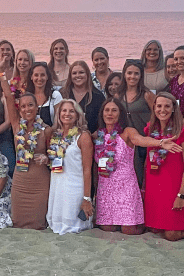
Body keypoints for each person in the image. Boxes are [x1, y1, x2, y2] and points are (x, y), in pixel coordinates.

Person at [0, 58, 52, 230]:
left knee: (38, 224)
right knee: (18, 223)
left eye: (31, 106)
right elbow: (7, 96)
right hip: (21, 181)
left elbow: (55, 157)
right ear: (19, 109)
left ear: (37, 108)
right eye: (23, 107)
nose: (27, 109)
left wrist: (46, 158)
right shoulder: (16, 126)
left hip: (40, 182)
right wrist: (1, 73)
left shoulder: (47, 130)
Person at [142, 92, 184, 241]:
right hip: (155, 185)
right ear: (154, 108)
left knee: (172, 235)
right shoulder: (150, 130)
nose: (162, 110)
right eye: (159, 106)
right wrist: (144, 186)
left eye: (167, 106)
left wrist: (181, 195)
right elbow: (147, 160)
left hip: (175, 187)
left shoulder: (183, 133)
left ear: (174, 108)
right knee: (154, 229)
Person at [92, 100, 145, 235]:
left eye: (114, 110)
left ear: (120, 113)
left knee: (129, 230)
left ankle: (148, 224)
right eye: (107, 110)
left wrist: (160, 143)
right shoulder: (98, 135)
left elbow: (141, 140)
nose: (110, 113)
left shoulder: (127, 132)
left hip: (126, 186)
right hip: (106, 187)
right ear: (102, 113)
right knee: (107, 229)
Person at [46, 99, 94, 234]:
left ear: (78, 115)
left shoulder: (83, 137)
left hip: (74, 189)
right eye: (64, 110)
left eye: (71, 111)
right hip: (57, 187)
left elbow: (87, 169)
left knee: (73, 228)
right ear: (59, 113)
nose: (67, 114)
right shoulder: (55, 136)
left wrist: (86, 198)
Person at [115, 60, 155, 185]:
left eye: (136, 74)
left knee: (143, 177)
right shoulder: (118, 96)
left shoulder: (147, 95)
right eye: (129, 73)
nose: (132, 77)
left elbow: (157, 115)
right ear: (124, 74)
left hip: (144, 141)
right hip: (125, 143)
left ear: (141, 76)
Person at [61, 60, 106, 133]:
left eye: (81, 72)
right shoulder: (63, 94)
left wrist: (96, 133)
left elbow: (103, 121)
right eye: (74, 73)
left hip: (90, 138)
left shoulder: (98, 96)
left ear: (87, 74)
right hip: (65, 139)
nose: (78, 75)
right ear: (70, 76)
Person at [28, 62, 62, 126]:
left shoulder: (55, 95)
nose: (39, 78)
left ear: (47, 77)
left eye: (42, 75)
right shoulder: (27, 96)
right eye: (36, 75)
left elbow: (59, 122)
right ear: (31, 77)